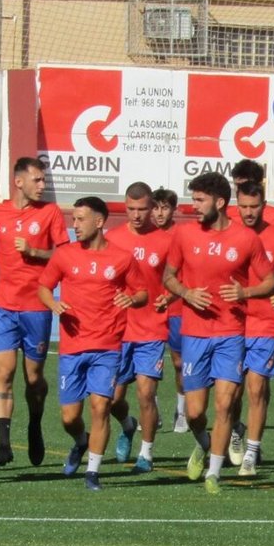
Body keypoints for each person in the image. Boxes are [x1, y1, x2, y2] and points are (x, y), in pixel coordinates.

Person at [161, 172, 274, 494]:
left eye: (199, 200)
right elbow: (168, 277)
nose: (193, 206)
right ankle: (204, 442)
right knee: (196, 411)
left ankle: (214, 473)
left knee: (225, 405)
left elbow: (271, 281)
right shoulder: (183, 235)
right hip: (195, 334)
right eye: (193, 199)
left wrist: (246, 293)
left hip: (230, 333)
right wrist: (185, 293)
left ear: (220, 202)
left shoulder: (246, 239)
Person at [37, 197, 147, 491]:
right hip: (73, 346)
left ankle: (93, 472)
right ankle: (80, 441)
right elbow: (43, 287)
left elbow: (142, 293)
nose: (74, 225)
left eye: (80, 219)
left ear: (99, 222)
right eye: (73, 219)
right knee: (70, 416)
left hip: (108, 346)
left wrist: (132, 298)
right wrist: (53, 304)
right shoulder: (64, 255)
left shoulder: (122, 258)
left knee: (100, 407)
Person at [0, 156, 68, 468]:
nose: (42, 186)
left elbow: (64, 253)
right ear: (19, 181)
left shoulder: (50, 213)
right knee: (2, 372)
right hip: (4, 306)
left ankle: (34, 424)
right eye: (37, 180)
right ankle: (3, 443)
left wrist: (34, 252)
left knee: (33, 378)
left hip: (36, 307)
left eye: (44, 181)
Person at [229, 180, 274, 478]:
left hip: (265, 323)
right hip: (230, 322)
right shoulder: (228, 236)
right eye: (243, 206)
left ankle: (252, 451)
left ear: (264, 204)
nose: (248, 212)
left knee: (257, 387)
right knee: (231, 392)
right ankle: (234, 429)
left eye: (254, 206)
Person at [106, 181, 174, 473]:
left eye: (142, 209)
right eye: (131, 209)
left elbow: (180, 278)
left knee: (146, 393)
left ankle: (146, 454)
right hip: (118, 329)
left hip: (151, 328)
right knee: (112, 399)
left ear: (153, 208)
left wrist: (168, 297)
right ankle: (127, 425)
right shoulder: (111, 238)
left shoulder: (167, 240)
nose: (136, 215)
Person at [152, 187, 190, 434]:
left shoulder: (182, 235)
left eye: (164, 207)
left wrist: (173, 295)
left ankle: (181, 410)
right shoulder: (144, 235)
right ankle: (151, 410)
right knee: (149, 363)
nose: (159, 213)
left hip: (176, 306)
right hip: (149, 309)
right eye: (155, 207)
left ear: (174, 209)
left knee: (179, 363)